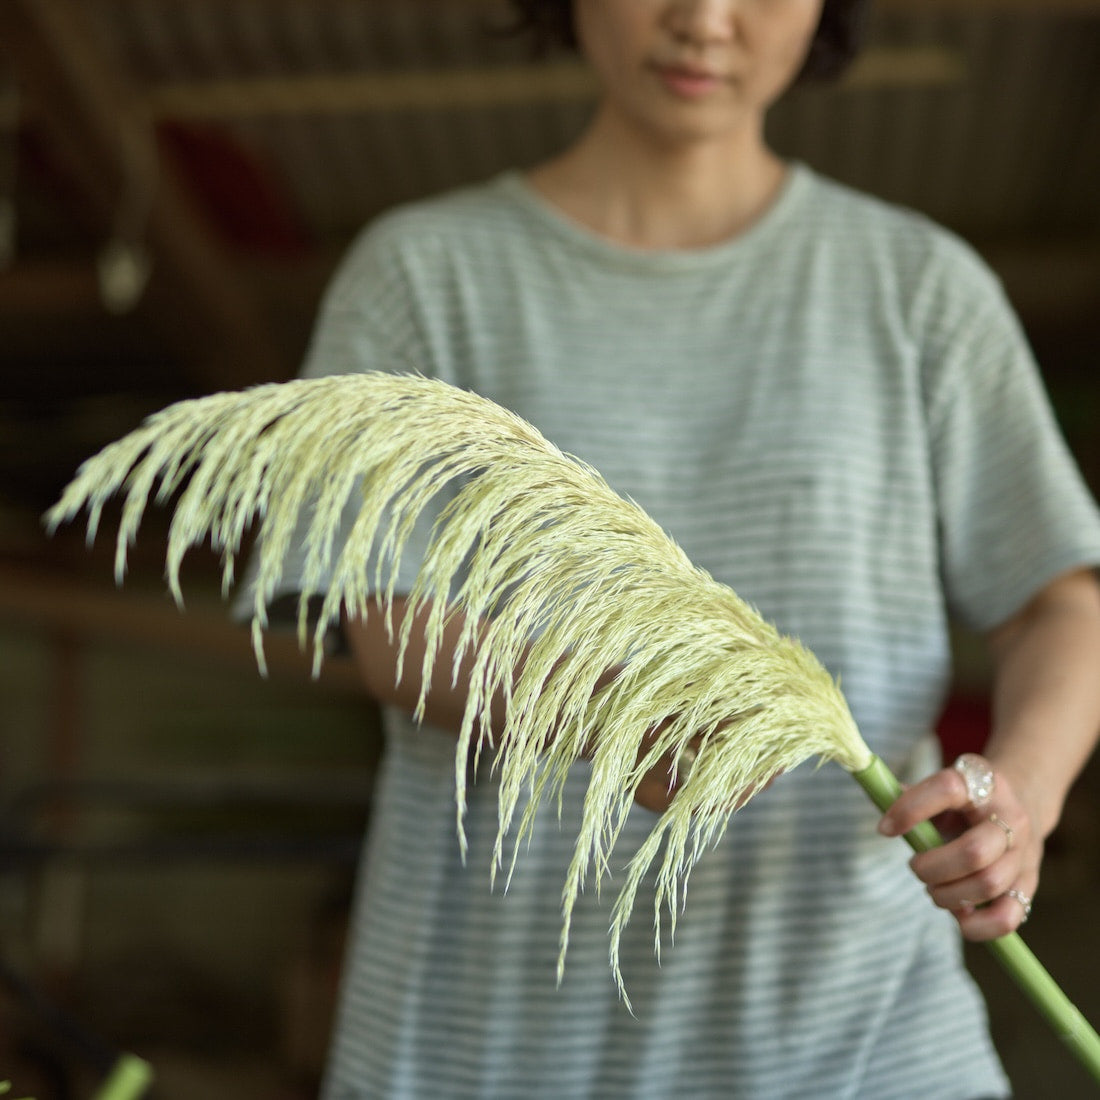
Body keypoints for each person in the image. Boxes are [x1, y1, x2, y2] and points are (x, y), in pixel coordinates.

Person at [251, 1, 1100, 1096]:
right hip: (486, 1038)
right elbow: (386, 621)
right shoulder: (422, 274)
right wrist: (597, 705)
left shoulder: (918, 288)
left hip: (861, 1042)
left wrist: (1020, 789)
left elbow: (1054, 600)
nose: (704, 20)